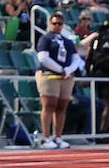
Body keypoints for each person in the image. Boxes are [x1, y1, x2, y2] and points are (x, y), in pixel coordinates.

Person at [32, 8, 79, 149]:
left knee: (61, 106)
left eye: (60, 23)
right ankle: (45, 137)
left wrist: (68, 70)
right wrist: (60, 69)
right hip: (50, 75)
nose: (57, 26)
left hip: (65, 77)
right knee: (49, 105)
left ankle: (58, 136)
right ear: (50, 24)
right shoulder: (46, 38)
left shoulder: (67, 41)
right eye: (54, 23)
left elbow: (76, 58)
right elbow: (43, 57)